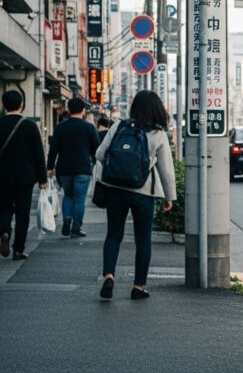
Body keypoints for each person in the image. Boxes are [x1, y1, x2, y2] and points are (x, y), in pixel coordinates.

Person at [94, 90, 176, 300]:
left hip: (116, 189)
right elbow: (166, 170)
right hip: (143, 192)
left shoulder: (119, 125)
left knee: (113, 234)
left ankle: (109, 275)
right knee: (143, 239)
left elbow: (100, 154)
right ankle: (138, 287)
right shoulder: (158, 134)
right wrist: (169, 197)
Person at [0, 90, 48, 260]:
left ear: (4, 105)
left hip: (2, 178)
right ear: (21, 105)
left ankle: (4, 231)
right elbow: (38, 154)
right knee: (23, 213)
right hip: (25, 178)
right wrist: (43, 179)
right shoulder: (29, 126)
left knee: (4, 209)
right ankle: (18, 249)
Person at [47, 97, 100, 238]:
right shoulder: (89, 128)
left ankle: (66, 220)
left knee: (68, 195)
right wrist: (95, 163)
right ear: (83, 110)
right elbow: (97, 149)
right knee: (80, 199)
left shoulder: (60, 127)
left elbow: (53, 150)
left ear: (68, 110)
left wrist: (50, 167)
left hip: (64, 168)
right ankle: (76, 228)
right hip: (83, 168)